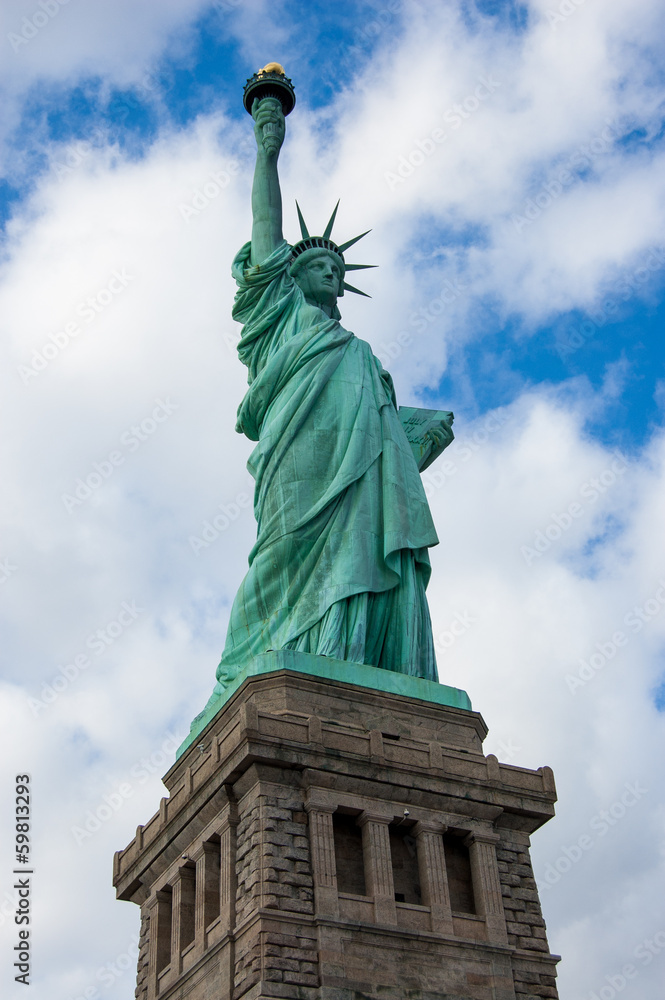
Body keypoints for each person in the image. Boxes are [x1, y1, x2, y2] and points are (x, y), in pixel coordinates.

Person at [214, 95, 450, 693]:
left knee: (365, 548)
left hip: (360, 480)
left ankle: (353, 659)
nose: (330, 271)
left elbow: (390, 445)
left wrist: (417, 436)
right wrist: (268, 147)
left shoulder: (360, 354)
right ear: (290, 278)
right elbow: (266, 228)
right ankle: (240, 675)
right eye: (318, 263)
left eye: (337, 267)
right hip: (298, 466)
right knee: (278, 558)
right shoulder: (281, 324)